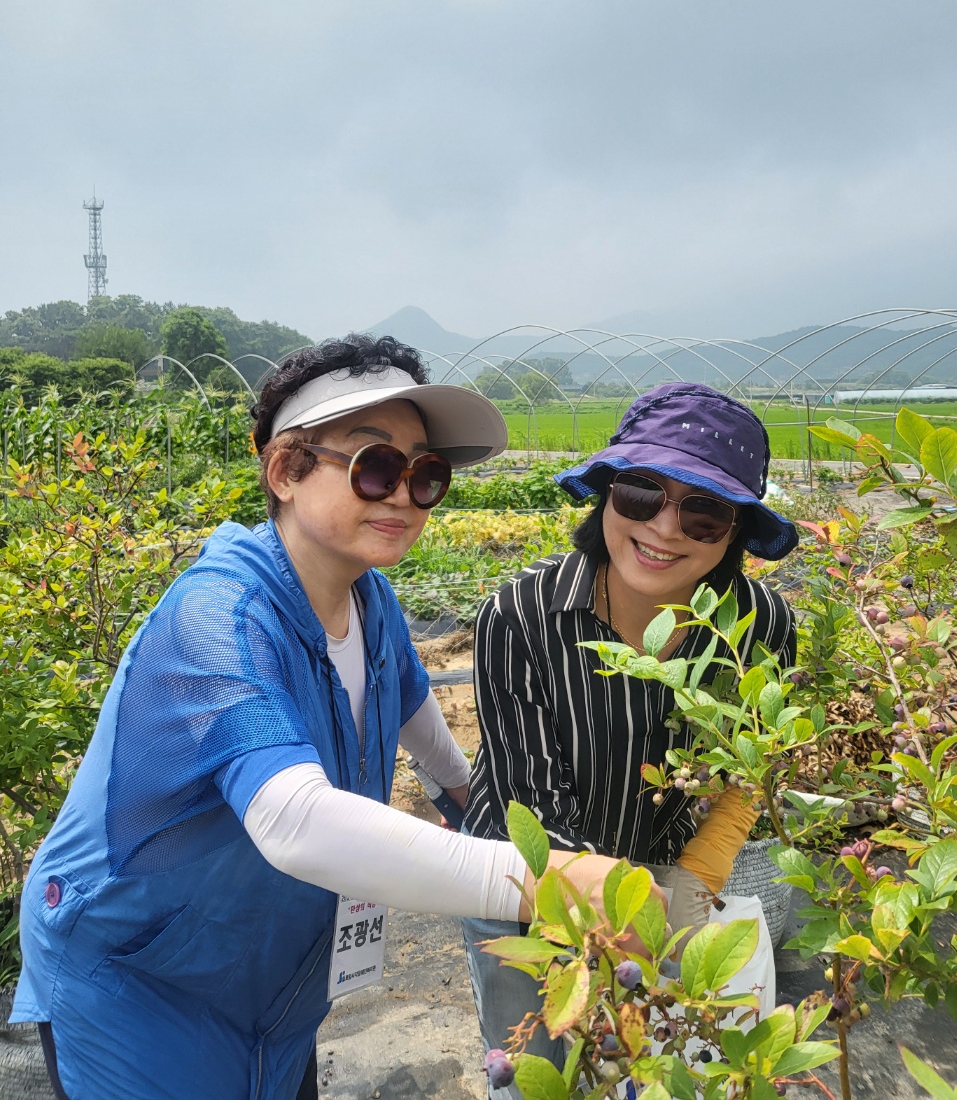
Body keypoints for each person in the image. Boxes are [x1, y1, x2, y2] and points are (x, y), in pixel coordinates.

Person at [11, 336, 630, 1100]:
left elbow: (413, 713)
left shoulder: (369, 597)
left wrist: (471, 800)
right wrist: (542, 878)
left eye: (426, 474)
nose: (404, 494)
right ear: (285, 470)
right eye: (375, 466)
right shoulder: (215, 619)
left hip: (267, 971)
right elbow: (294, 819)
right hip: (140, 981)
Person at [462, 383, 799, 1082]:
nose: (666, 529)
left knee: (659, 1070)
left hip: (666, 885)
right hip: (523, 889)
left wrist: (694, 881)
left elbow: (752, 765)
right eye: (642, 494)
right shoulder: (523, 616)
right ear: (607, 495)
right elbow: (532, 804)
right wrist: (616, 932)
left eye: (704, 512)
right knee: (540, 1073)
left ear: (736, 530)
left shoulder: (761, 628)